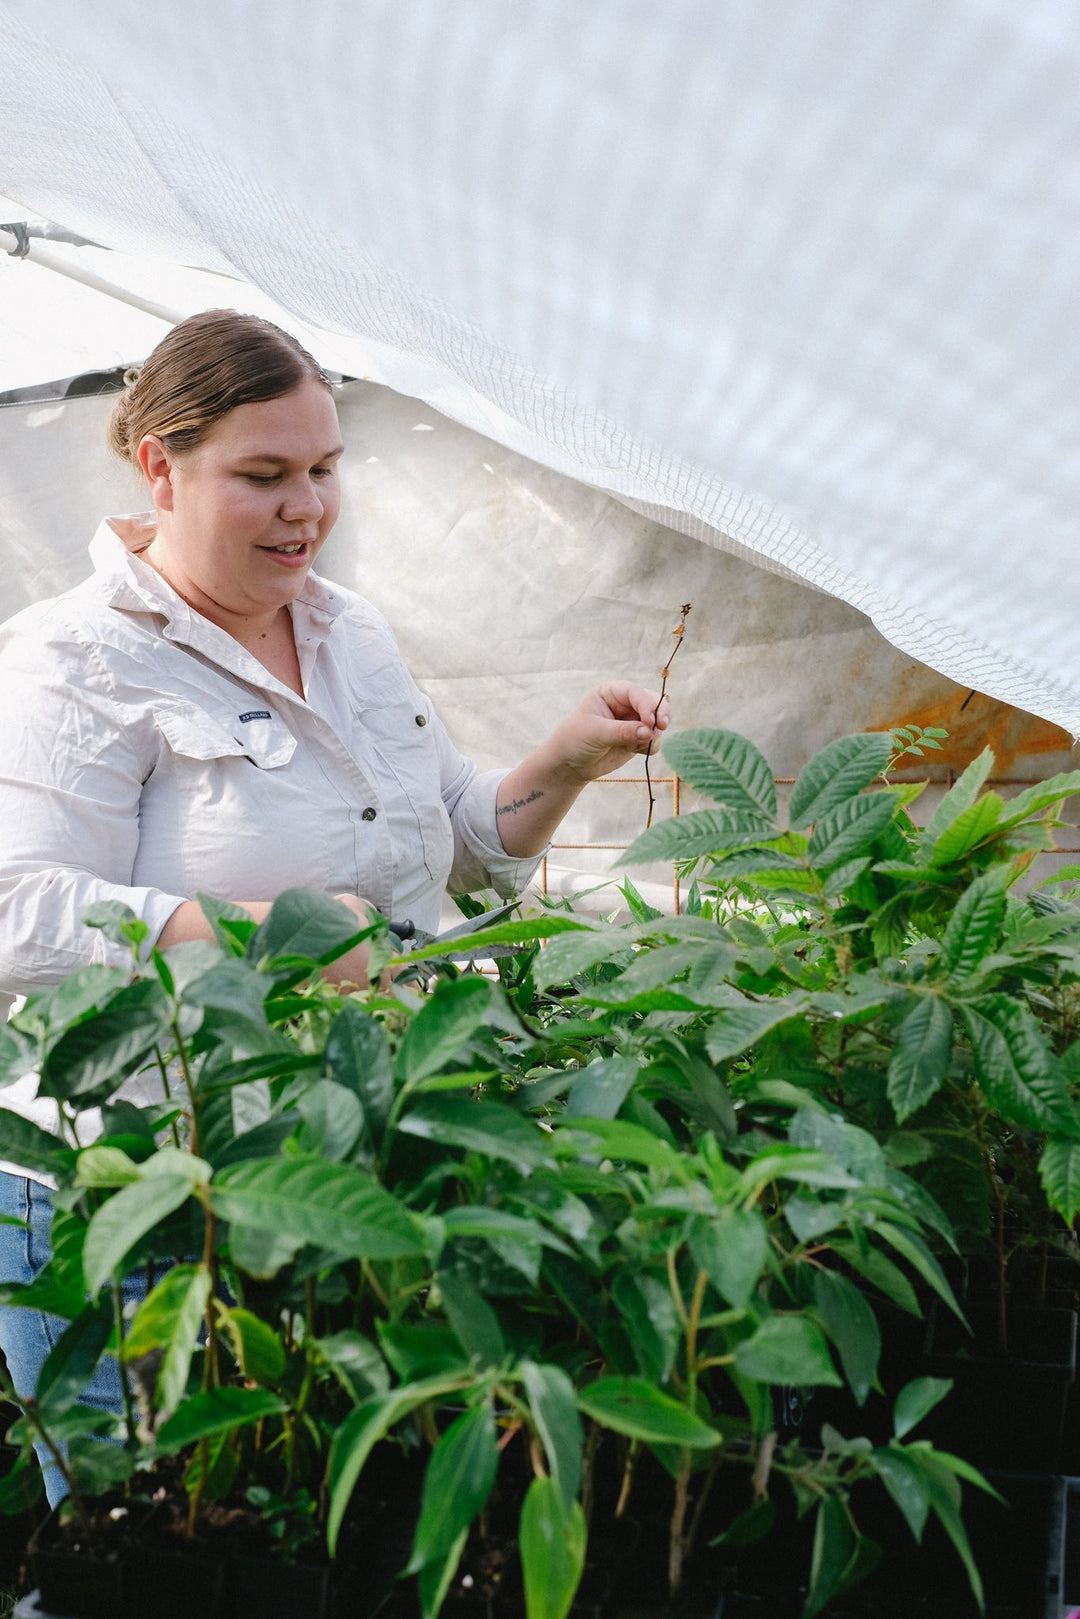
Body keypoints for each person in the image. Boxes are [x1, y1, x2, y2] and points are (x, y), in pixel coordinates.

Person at [0, 308, 670, 1497]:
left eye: (323, 469)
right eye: (263, 476)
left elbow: (457, 848)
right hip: (146, 1193)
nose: (307, 505)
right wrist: (280, 941)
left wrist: (563, 761)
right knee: (150, 1549)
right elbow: (21, 914)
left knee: (316, 1535)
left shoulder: (350, 631)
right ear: (160, 464)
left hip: (348, 1166)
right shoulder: (73, 659)